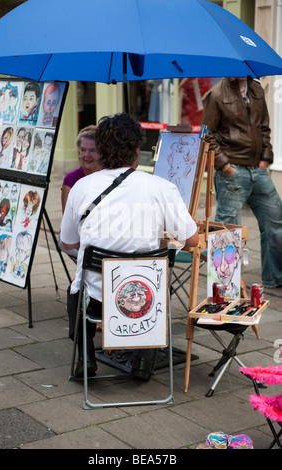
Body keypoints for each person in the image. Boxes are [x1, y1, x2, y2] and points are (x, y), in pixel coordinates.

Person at [60, 113, 199, 380]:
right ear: (137, 150)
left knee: (76, 289)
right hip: (144, 299)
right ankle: (143, 361)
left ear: (102, 150)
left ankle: (86, 357)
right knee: (152, 282)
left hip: (98, 301)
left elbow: (68, 242)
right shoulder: (162, 187)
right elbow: (192, 240)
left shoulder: (81, 186)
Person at [202, 76, 282, 289]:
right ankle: (223, 288)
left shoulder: (256, 89)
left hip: (258, 169)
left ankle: (276, 278)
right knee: (227, 231)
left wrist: (266, 158)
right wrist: (225, 166)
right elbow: (206, 135)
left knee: (276, 221)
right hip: (233, 170)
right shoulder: (217, 94)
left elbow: (264, 127)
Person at [58, 125, 102, 259]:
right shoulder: (71, 179)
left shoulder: (110, 176)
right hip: (76, 237)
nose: (86, 155)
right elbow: (68, 220)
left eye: (92, 151)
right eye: (83, 150)